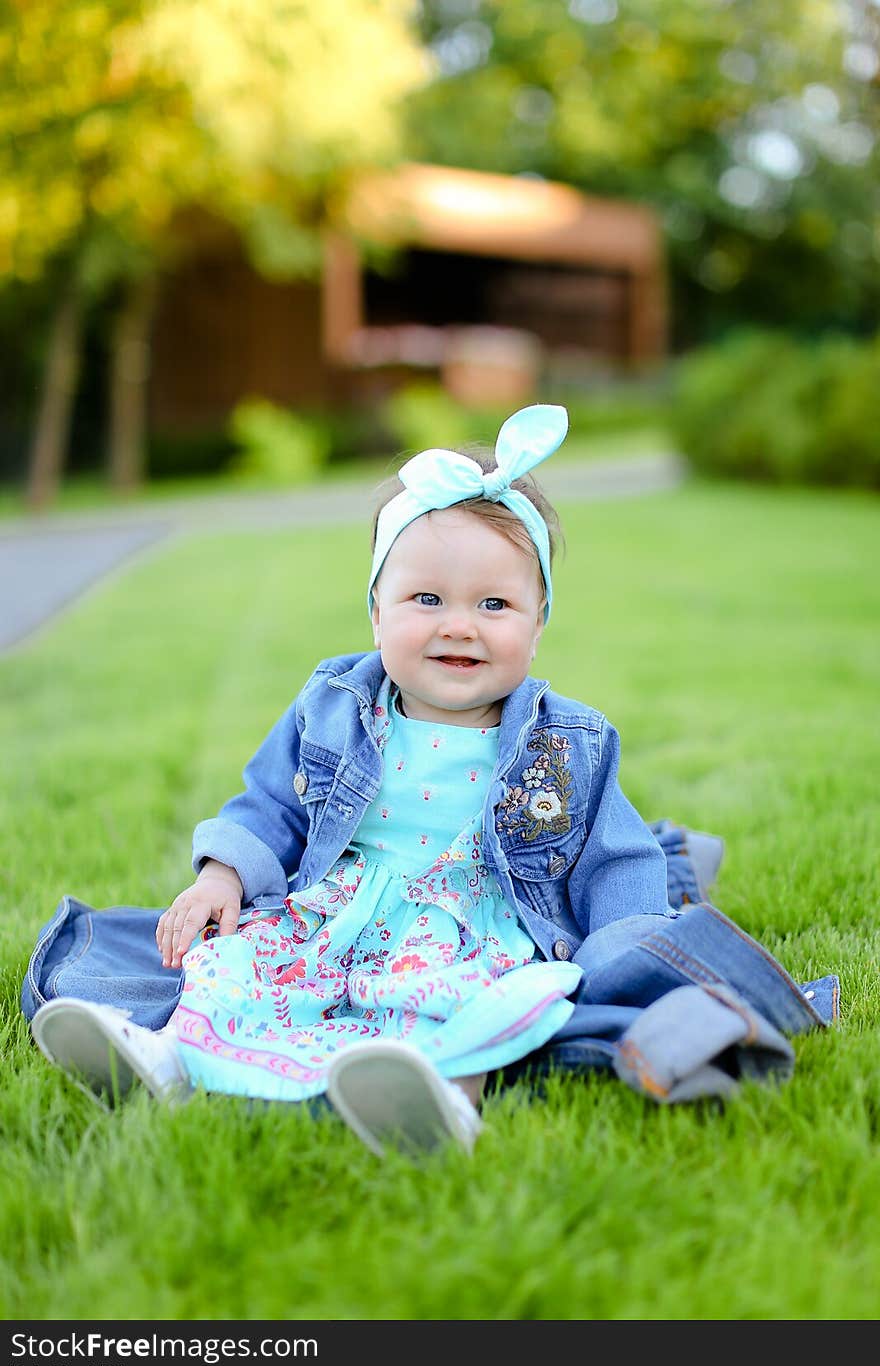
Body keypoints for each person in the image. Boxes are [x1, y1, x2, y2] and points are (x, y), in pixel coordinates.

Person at [32, 402, 824, 1157]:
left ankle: (446, 1095)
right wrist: (220, 875)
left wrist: (631, 952)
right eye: (426, 599)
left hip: (474, 915)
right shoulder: (334, 705)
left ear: (538, 623)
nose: (459, 624)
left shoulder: (567, 742)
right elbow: (272, 803)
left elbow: (617, 858)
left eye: (494, 603)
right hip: (340, 905)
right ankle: (168, 1055)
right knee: (241, 957)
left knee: (474, 995)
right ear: (376, 613)